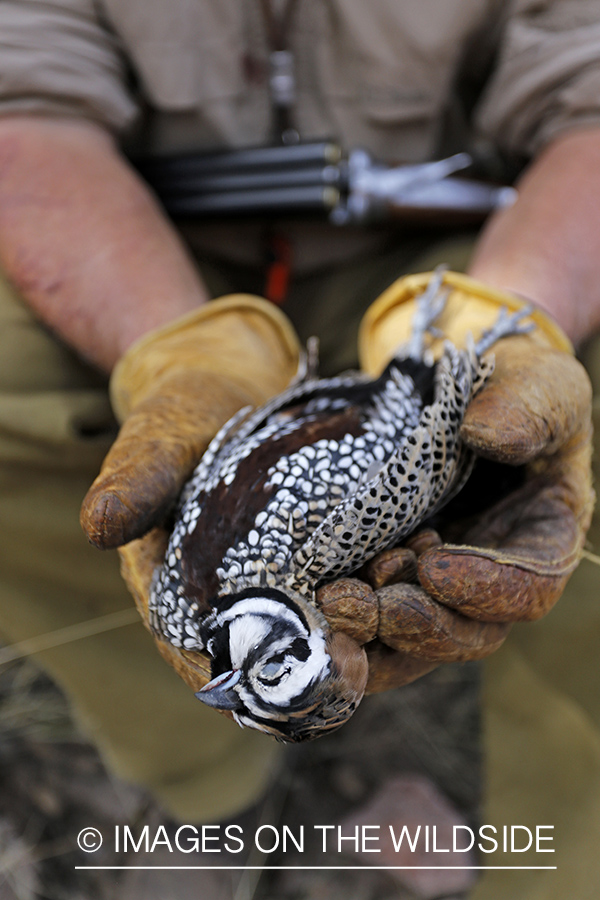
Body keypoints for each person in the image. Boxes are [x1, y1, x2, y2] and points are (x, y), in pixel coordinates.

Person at [0, 2, 599, 898]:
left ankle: (558, 845)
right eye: (269, 670)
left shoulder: (202, 595)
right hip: (146, 248)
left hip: (449, 249)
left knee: (553, 422)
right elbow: (26, 106)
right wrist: (184, 355)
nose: (243, 666)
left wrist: (497, 325)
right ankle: (209, 790)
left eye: (255, 675)